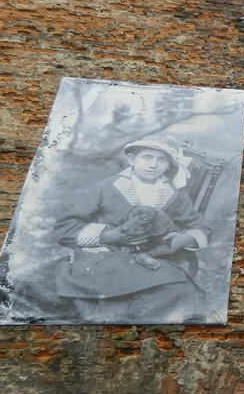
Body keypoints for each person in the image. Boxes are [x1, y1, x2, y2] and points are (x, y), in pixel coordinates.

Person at [53, 135, 211, 323]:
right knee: (114, 293)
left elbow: (200, 225)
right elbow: (65, 227)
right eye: (147, 157)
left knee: (177, 289)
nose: (153, 165)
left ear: (169, 165)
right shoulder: (106, 187)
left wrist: (184, 239)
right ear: (132, 160)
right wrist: (110, 235)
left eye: (162, 160)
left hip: (152, 256)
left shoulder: (174, 195)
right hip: (107, 255)